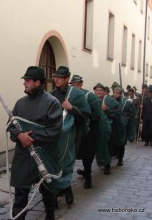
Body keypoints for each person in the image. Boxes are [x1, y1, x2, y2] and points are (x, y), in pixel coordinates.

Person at [7, 66, 62, 220]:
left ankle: (50, 215)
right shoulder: (20, 103)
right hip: (23, 156)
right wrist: (19, 135)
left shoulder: (52, 103)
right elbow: (11, 126)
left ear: (38, 82)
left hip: (45, 154)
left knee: (48, 192)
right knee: (20, 196)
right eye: (24, 80)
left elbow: (54, 131)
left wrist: (30, 136)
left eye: (28, 80)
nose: (24, 83)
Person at [50, 66, 90, 204]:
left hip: (71, 136)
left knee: (66, 163)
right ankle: (54, 195)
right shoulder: (51, 94)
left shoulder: (76, 95)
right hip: (54, 137)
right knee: (54, 164)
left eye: (60, 77)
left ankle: (67, 188)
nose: (56, 79)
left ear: (67, 79)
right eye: (55, 77)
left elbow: (85, 116)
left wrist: (71, 108)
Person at [69, 75, 102, 189]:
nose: (74, 87)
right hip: (72, 130)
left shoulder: (89, 96)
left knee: (87, 156)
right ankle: (65, 185)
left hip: (87, 132)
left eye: (77, 85)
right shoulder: (68, 96)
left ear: (81, 84)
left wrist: (86, 118)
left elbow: (98, 115)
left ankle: (88, 177)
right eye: (72, 85)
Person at [112, 86, 135, 166]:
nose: (115, 95)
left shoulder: (126, 102)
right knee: (114, 142)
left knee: (121, 143)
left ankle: (120, 159)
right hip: (114, 125)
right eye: (114, 93)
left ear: (120, 94)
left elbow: (131, 113)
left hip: (122, 126)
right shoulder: (110, 100)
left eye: (117, 93)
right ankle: (115, 155)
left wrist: (124, 119)